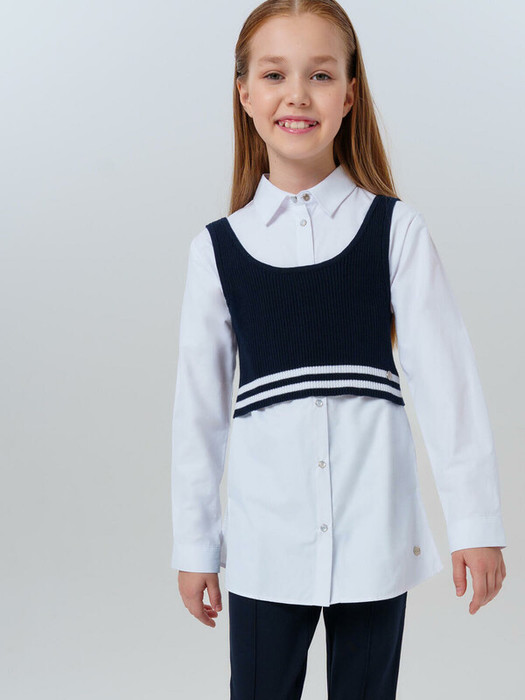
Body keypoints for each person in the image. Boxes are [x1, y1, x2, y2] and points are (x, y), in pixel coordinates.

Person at [170, 1, 508, 698]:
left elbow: (448, 386)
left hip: (375, 540)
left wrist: (475, 524)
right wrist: (195, 545)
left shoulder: (396, 231)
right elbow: (197, 417)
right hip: (265, 548)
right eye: (274, 74)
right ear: (244, 94)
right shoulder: (217, 251)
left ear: (349, 95)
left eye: (320, 75)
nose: (296, 94)